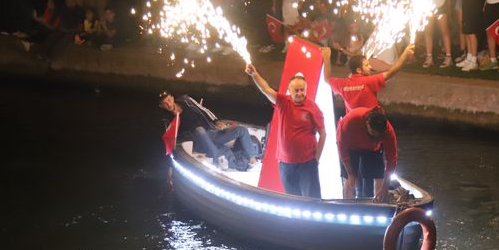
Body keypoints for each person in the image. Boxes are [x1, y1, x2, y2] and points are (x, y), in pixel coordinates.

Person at [245, 64, 325, 198]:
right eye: (296, 90)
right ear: (290, 90)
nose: (300, 93)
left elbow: (323, 133)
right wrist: (254, 74)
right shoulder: (283, 102)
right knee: (292, 199)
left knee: (313, 199)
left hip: (307, 163)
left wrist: (316, 158)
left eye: (302, 90)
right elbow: (265, 89)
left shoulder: (313, 108)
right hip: (286, 163)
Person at [159, 92, 258, 170]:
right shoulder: (167, 119)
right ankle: (220, 159)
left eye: (168, 100)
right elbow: (171, 138)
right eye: (165, 103)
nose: (168, 104)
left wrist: (216, 121)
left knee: (241, 130)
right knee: (199, 130)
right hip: (196, 141)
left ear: (172, 97)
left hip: (211, 133)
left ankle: (252, 159)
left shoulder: (186, 100)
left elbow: (203, 109)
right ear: (162, 106)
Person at [321, 43, 415, 112]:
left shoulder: (343, 84)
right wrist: (405, 54)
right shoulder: (368, 82)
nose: (370, 67)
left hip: (352, 126)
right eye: (367, 65)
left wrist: (326, 58)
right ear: (359, 70)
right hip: (370, 125)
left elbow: (327, 79)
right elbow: (391, 72)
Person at [336, 107, 397, 202]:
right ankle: (348, 205)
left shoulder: (388, 132)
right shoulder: (351, 122)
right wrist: (351, 173)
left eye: (379, 135)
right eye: (372, 132)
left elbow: (392, 160)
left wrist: (385, 187)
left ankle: (379, 202)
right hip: (352, 146)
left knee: (379, 176)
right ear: (367, 124)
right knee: (350, 179)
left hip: (373, 148)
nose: (375, 136)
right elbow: (342, 149)